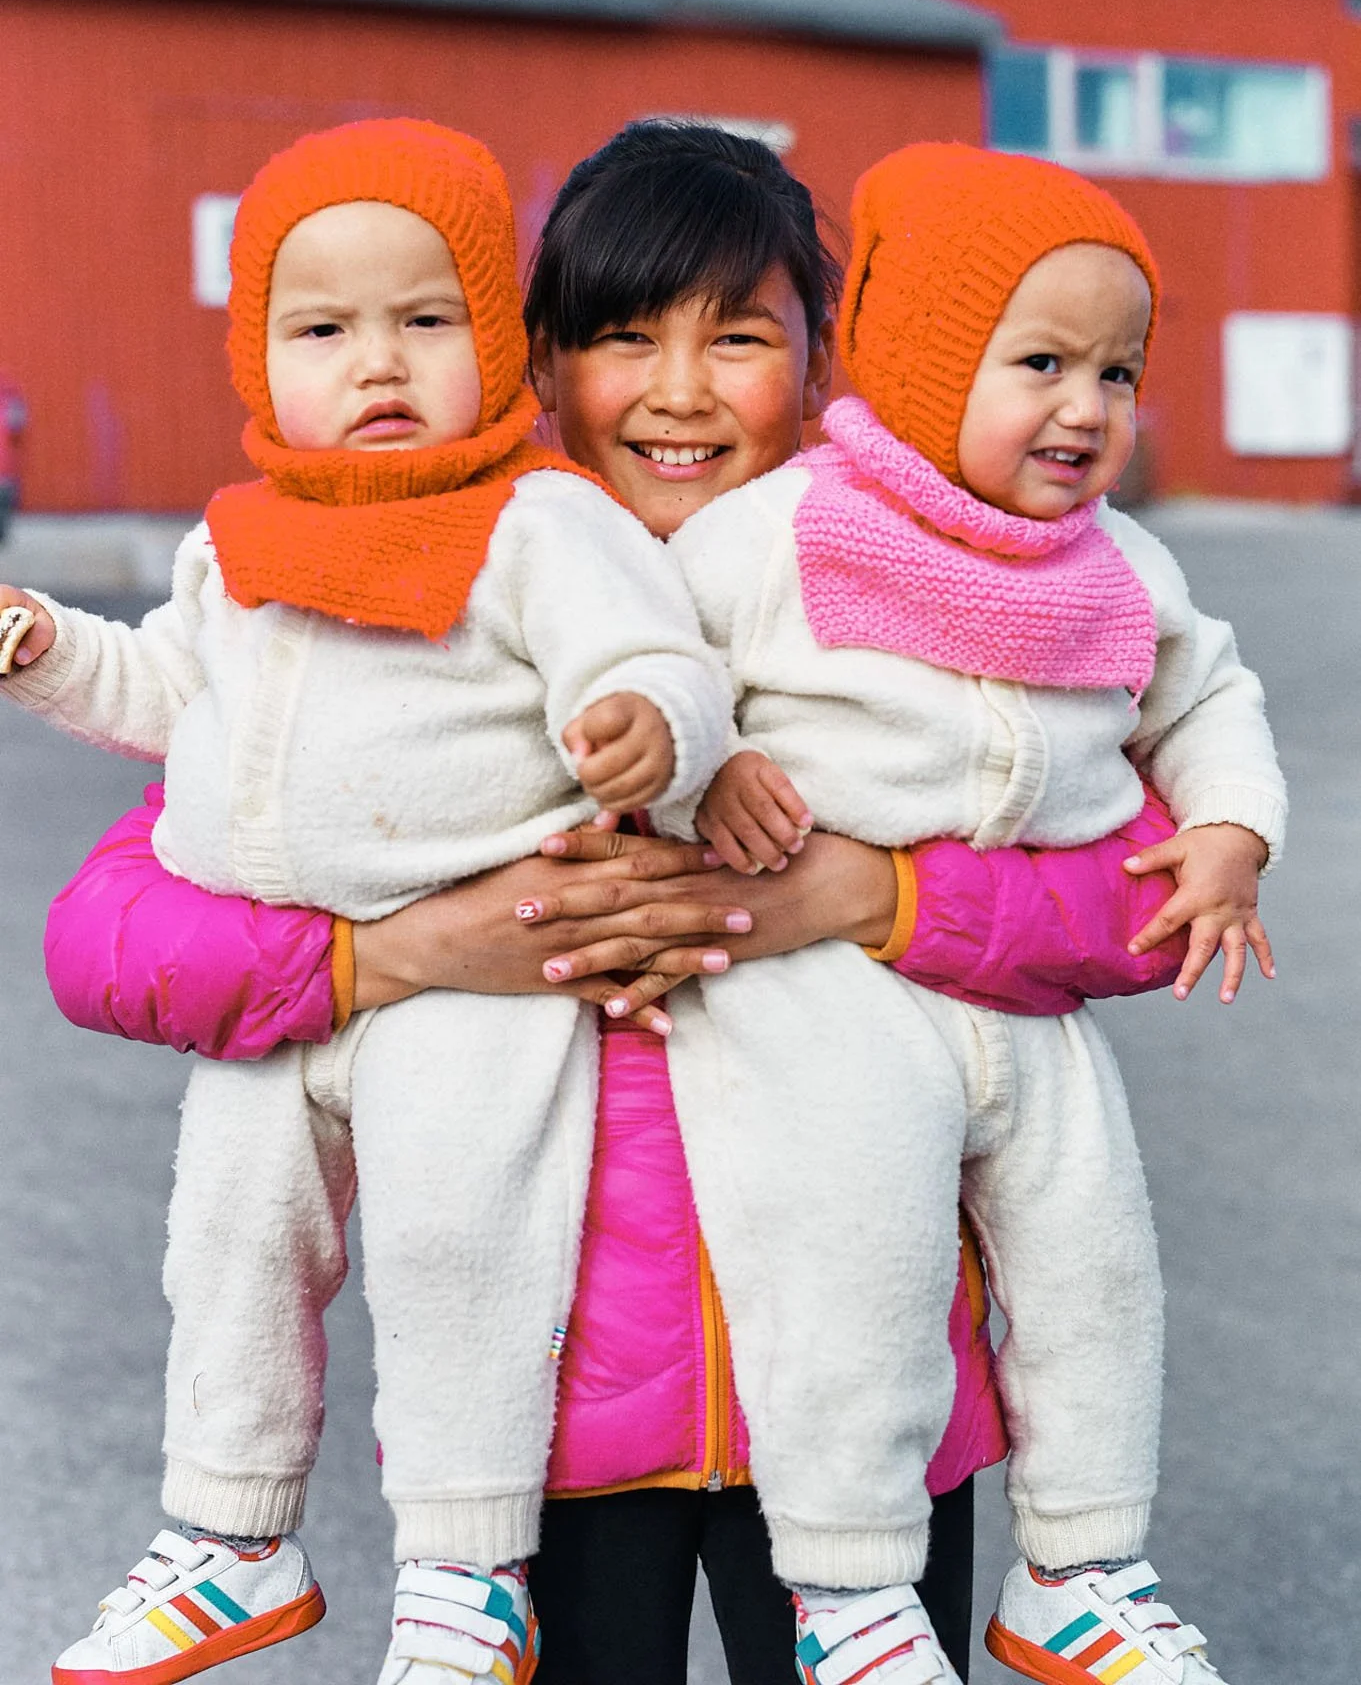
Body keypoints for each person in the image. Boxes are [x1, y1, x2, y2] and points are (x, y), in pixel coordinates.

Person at [39, 122, 1188, 1685]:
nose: (679, 391)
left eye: (744, 338)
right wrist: (403, 950)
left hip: (868, 1409)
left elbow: (1148, 899)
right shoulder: (420, 622)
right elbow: (112, 944)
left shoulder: (921, 610)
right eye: (620, 337)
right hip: (565, 1409)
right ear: (541, 360)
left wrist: (870, 898)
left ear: (824, 358)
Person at [2, 117, 737, 1685]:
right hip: (289, 998)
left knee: (456, 1243)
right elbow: (169, 692)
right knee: (229, 1241)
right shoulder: (237, 544)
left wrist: (653, 728)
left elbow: (651, 652)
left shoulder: (539, 521)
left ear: (498, 345)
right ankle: (231, 1529)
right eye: (325, 330)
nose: (381, 364)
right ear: (261, 361)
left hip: (479, 984)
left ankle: (468, 1571)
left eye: (426, 321)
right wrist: (50, 649)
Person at [657, 142, 1284, 1685]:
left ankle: (1077, 1559)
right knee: (862, 1257)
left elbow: (1205, 696)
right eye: (1043, 362)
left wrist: (1230, 827)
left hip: (1020, 1004)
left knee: (1094, 1258)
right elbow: (656, 673)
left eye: (1118, 372)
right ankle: (854, 1581)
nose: (1087, 407)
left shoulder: (1119, 568)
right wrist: (694, 773)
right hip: (829, 997)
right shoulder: (784, 532)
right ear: (937, 365)